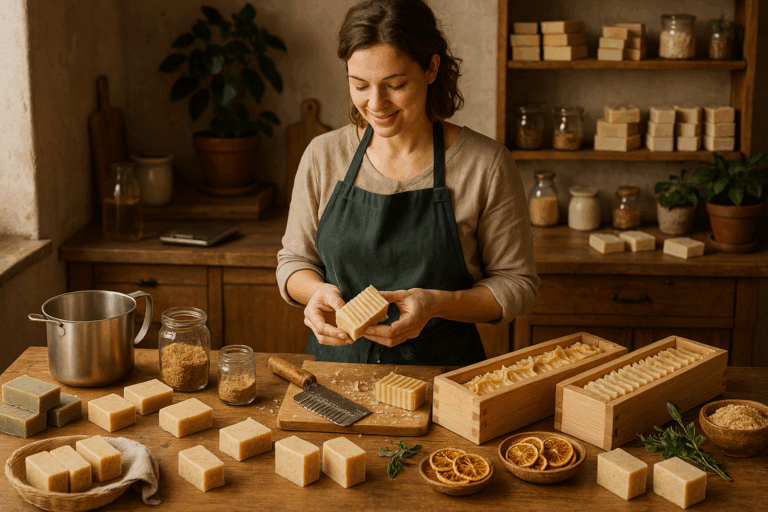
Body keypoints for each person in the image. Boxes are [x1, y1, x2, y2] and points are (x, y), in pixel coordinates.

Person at [276, 0, 539, 366]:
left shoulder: (485, 164)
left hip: (443, 371)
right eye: (360, 85)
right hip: (335, 368)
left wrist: (436, 304)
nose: (376, 103)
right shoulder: (323, 154)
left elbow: (517, 285)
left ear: (431, 68)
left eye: (395, 85)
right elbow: (293, 260)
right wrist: (315, 291)